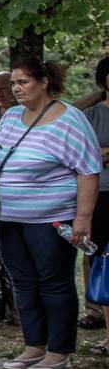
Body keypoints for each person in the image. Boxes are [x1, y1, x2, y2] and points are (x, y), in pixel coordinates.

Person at [0, 57, 101, 369]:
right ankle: (34, 345)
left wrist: (83, 219)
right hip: (9, 216)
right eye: (13, 83)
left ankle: (59, 351)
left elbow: (88, 170)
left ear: (44, 81)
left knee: (54, 283)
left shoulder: (69, 119)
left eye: (23, 82)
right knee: (22, 282)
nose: (16, 89)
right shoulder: (12, 116)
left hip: (51, 219)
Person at [79, 56, 109, 336]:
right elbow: (85, 154)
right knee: (95, 252)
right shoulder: (93, 114)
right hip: (100, 191)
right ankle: (94, 308)